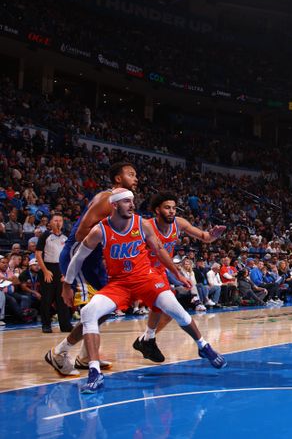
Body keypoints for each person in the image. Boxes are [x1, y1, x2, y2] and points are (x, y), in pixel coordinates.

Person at [61, 188, 226, 394]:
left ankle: (203, 346)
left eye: (132, 201)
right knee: (88, 313)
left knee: (175, 309)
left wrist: (178, 273)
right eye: (126, 201)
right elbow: (77, 258)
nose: (131, 204)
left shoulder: (141, 223)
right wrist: (66, 285)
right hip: (119, 283)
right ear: (114, 205)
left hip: (146, 277)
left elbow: (159, 250)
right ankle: (94, 372)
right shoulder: (99, 230)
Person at [47, 162, 137, 376]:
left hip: (94, 260)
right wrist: (68, 282)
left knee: (108, 306)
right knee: (92, 311)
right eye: (131, 174)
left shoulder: (123, 204)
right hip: (79, 256)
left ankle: (86, 356)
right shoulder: (106, 199)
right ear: (117, 179)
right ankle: (59, 352)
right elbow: (80, 235)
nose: (136, 178)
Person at [133, 192, 226, 363]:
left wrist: (213, 235)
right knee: (175, 310)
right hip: (143, 271)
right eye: (167, 208)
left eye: (174, 208)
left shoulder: (179, 223)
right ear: (157, 210)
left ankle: (146, 340)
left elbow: (205, 237)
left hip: (161, 271)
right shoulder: (146, 226)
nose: (171, 211)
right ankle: (202, 345)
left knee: (165, 313)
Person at [36, 213, 72, 333]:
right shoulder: (45, 235)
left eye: (60, 221)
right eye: (55, 220)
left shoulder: (66, 236)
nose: (58, 223)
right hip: (48, 268)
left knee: (62, 298)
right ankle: (46, 325)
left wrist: (65, 272)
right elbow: (38, 254)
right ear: (50, 223)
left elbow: (69, 256)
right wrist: (45, 271)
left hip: (61, 268)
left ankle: (65, 325)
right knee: (47, 299)